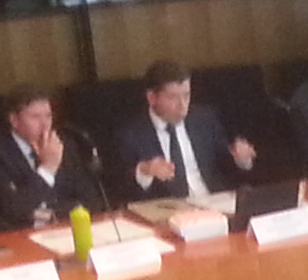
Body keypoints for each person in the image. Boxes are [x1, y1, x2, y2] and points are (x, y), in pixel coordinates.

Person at [110, 61, 257, 205]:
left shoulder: (205, 119)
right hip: (167, 209)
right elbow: (121, 189)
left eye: (186, 95)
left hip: (214, 202)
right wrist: (144, 171)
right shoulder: (131, 134)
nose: (182, 105)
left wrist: (242, 159)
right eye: (173, 97)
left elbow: (226, 165)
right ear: (152, 98)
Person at [0, 87, 103, 228]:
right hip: (18, 234)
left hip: (64, 229)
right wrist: (47, 169)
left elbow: (92, 201)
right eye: (35, 117)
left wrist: (52, 215)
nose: (45, 124)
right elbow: (13, 209)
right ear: (14, 120)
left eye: (48, 116)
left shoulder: (63, 145)